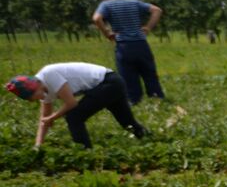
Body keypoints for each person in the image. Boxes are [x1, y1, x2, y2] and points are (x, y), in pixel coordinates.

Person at [6, 62, 147, 149]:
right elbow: (44, 120)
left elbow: (71, 103)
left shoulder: (49, 74)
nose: (33, 100)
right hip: (110, 83)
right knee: (127, 122)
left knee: (74, 116)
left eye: (31, 96)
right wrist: (38, 145)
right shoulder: (44, 91)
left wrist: (52, 118)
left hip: (109, 82)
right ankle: (147, 137)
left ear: (34, 86)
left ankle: (84, 151)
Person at [91, 0, 165, 104]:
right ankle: (157, 98)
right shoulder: (134, 3)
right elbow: (157, 10)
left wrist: (107, 34)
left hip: (124, 46)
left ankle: (134, 101)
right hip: (141, 44)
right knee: (149, 73)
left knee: (128, 76)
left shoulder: (106, 5)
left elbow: (96, 18)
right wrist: (148, 27)